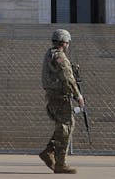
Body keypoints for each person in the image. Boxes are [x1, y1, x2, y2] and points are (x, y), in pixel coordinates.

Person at [38, 29, 83, 174]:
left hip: (53, 96)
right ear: (64, 42)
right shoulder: (59, 56)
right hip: (60, 97)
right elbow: (67, 78)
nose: (68, 45)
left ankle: (49, 152)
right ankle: (60, 163)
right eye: (68, 42)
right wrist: (78, 96)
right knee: (66, 127)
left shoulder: (50, 53)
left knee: (63, 126)